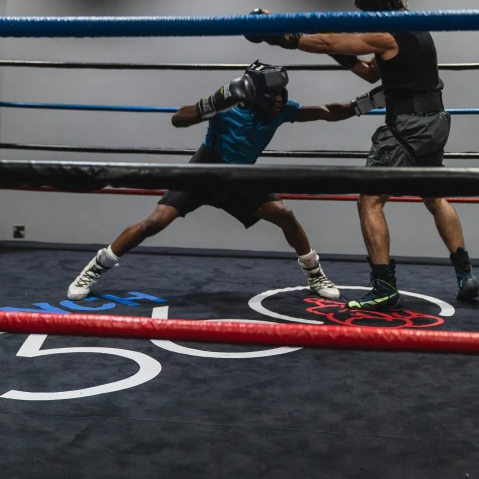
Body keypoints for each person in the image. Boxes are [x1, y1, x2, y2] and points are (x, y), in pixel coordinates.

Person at [246, 0, 479, 310]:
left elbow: (327, 42)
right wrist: (340, 54)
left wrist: (282, 36)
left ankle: (384, 286)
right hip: (436, 122)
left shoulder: (385, 33)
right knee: (435, 196)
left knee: (370, 199)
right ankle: (465, 275)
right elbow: (373, 73)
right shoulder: (417, 28)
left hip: (408, 126)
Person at [67, 59, 372, 302]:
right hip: (203, 171)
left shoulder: (280, 111)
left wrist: (366, 104)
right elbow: (179, 119)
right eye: (273, 93)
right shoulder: (226, 108)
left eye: (282, 92)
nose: (280, 98)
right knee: (153, 223)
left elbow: (327, 112)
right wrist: (212, 102)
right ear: (255, 93)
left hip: (241, 177)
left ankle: (314, 274)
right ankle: (93, 270)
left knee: (285, 215)